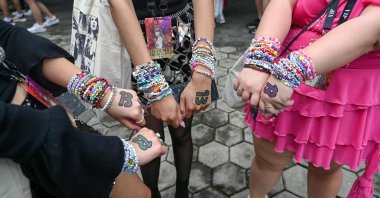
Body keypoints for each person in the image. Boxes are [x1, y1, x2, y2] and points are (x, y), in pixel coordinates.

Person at [0, 19, 167, 198]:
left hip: (47, 119)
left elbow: (7, 35)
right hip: (28, 149)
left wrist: (102, 93)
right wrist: (120, 154)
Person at [234, 0, 380, 197]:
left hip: (344, 98)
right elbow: (282, 3)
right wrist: (259, 60)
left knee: (326, 171)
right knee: (267, 160)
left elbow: (372, 28)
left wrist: (290, 71)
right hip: (278, 86)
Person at [71, 0, 216, 197]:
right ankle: (151, 193)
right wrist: (153, 85)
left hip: (180, 33)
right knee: (150, 136)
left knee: (182, 130)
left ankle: (183, 191)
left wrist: (203, 70)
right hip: (133, 42)